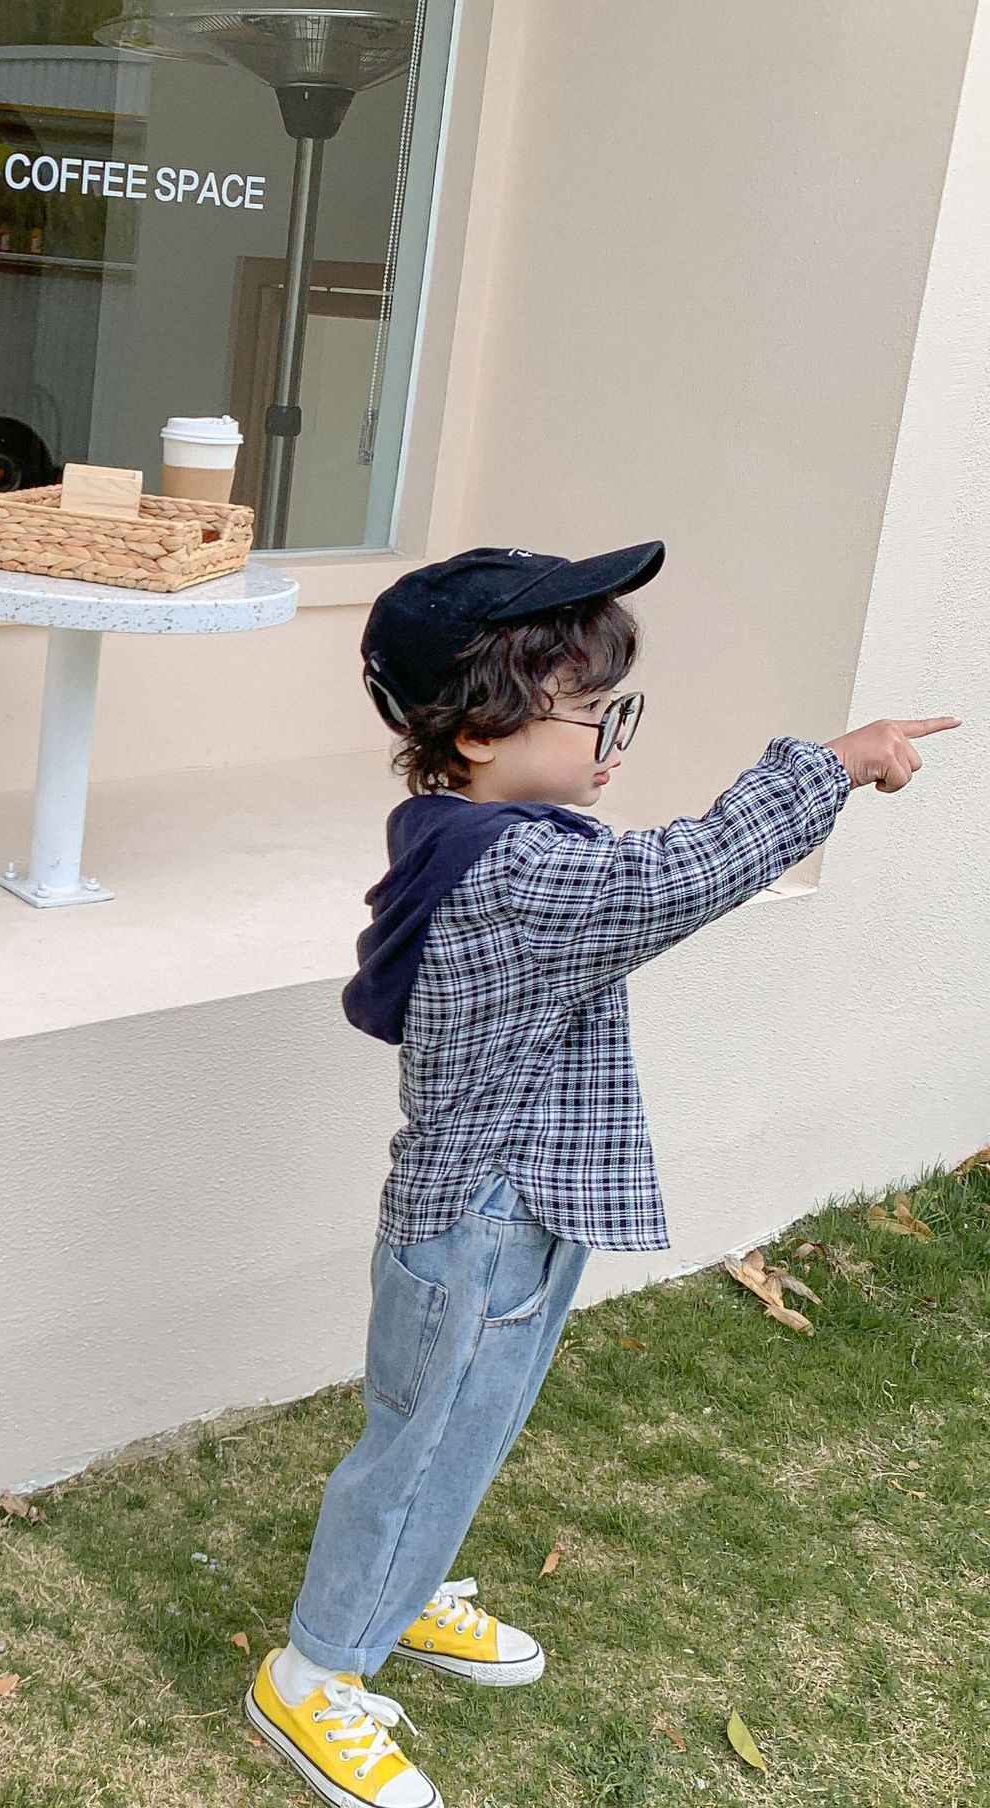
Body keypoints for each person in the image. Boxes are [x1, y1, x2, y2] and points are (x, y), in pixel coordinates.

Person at [243, 542, 963, 1808]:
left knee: (465, 1433)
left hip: (517, 1208)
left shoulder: (488, 838)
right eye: (595, 713)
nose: (616, 740)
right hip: (478, 1223)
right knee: (417, 1450)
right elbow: (678, 876)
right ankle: (313, 1673)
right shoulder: (516, 871)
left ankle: (405, 1593)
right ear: (476, 732)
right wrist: (828, 764)